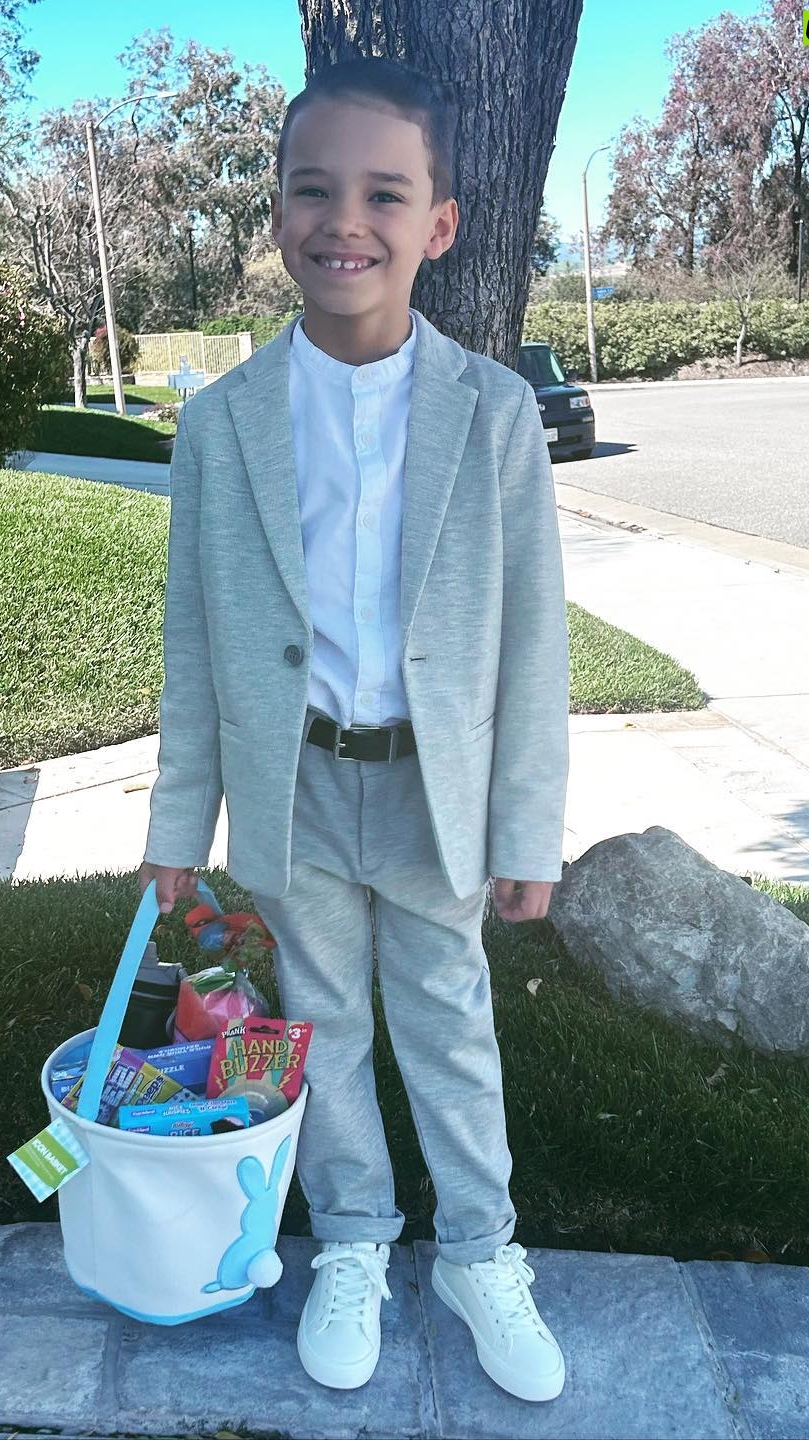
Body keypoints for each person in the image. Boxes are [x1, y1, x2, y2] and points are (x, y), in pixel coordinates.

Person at [136, 55, 569, 1404]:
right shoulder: (221, 424)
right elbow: (197, 640)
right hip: (298, 788)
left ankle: (482, 1252)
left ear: (438, 224)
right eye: (313, 189)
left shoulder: (495, 414)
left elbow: (532, 641)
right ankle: (355, 1240)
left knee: (450, 1028)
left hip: (437, 790)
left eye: (385, 194)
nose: (346, 221)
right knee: (319, 1027)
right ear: (276, 210)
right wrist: (176, 828)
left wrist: (526, 830)